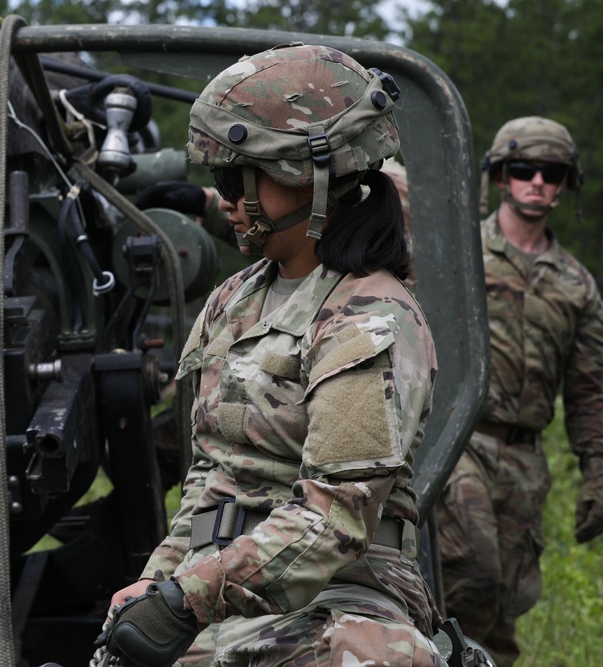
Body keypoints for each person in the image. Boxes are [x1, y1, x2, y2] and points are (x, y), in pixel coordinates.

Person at [96, 44, 445, 666]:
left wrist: (187, 599)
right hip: (219, 593)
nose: (222, 197)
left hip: (342, 595)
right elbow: (211, 474)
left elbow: (335, 520)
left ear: (305, 178)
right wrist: (155, 587)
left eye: (236, 178)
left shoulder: (370, 318)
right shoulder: (235, 298)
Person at [436, 116, 603, 667]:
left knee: (506, 605)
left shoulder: (577, 287)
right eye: (523, 168)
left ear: (565, 185)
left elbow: (588, 392)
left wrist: (599, 476)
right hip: (456, 442)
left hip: (524, 463)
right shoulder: (457, 253)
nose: (537, 180)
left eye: (551, 171)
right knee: (473, 573)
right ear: (499, 177)